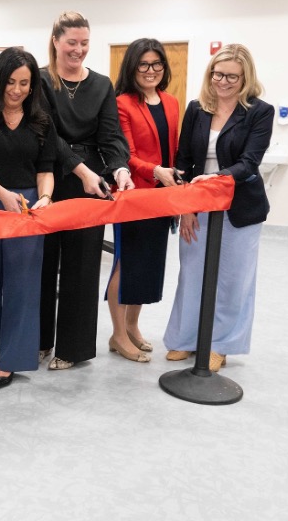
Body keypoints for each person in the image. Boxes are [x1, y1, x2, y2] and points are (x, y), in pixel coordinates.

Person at [163, 44, 273, 372]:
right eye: (218, 74)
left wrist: (215, 180)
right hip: (197, 203)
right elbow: (183, 159)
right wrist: (186, 206)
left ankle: (220, 345)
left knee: (233, 278)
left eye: (232, 77)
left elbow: (249, 162)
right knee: (192, 273)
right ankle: (185, 339)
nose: (223, 82)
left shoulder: (259, 111)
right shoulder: (197, 108)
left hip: (240, 207)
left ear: (246, 78)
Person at [38, 11, 135, 371]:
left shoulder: (101, 85)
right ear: (56, 42)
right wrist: (80, 170)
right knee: (43, 263)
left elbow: (111, 135)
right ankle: (39, 341)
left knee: (82, 266)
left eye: (84, 43)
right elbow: (47, 134)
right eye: (71, 43)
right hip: (51, 177)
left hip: (92, 183)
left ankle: (73, 349)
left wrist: (120, 168)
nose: (78, 50)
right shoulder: (41, 80)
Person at [0, 47, 56, 389]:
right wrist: (3, 195)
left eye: (24, 83)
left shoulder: (42, 122)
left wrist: (45, 198)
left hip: (27, 209)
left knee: (23, 285)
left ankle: (11, 359)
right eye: (11, 82)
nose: (17, 90)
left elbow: (45, 170)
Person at [105, 38, 181, 363]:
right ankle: (117, 334)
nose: (151, 70)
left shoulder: (171, 102)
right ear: (132, 68)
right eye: (143, 64)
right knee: (126, 263)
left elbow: (174, 148)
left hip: (163, 197)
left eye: (156, 64)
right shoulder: (122, 103)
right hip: (135, 196)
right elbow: (127, 155)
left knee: (148, 265)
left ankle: (132, 326)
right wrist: (156, 171)